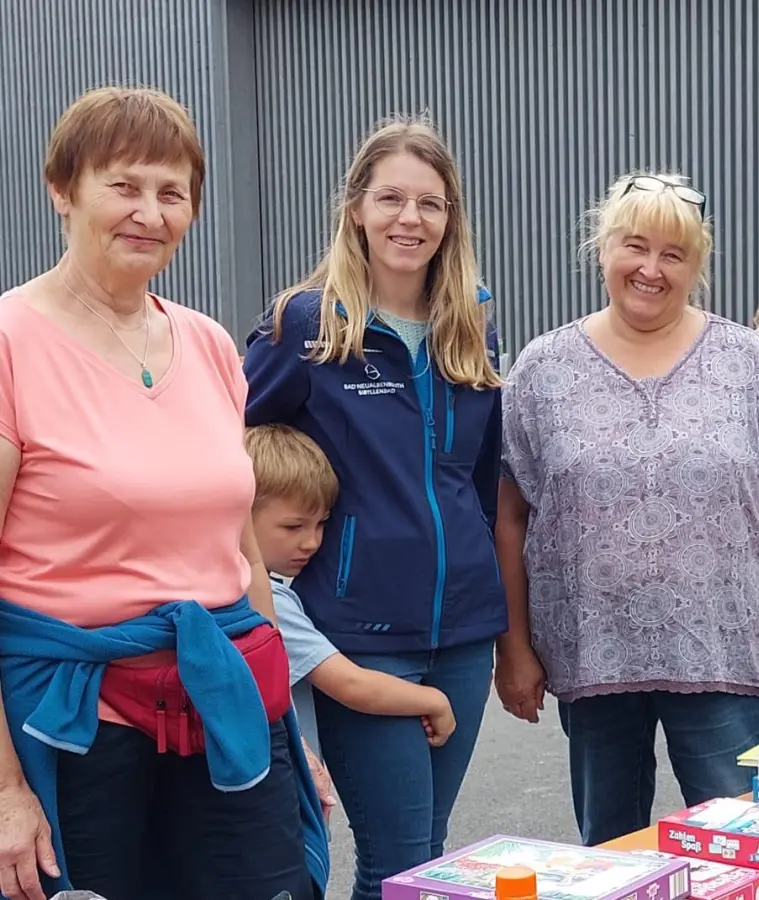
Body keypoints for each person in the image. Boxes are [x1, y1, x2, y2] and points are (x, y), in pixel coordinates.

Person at [0, 86, 325, 900]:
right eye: (125, 184)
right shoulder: (11, 341)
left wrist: (278, 718)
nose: (150, 211)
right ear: (62, 188)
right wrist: (4, 791)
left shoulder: (211, 343)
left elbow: (238, 545)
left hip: (222, 698)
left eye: (172, 192)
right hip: (76, 721)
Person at [494, 170, 759, 847]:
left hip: (724, 656)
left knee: (745, 848)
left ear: (696, 265)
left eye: (673, 254)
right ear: (602, 250)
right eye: (635, 246)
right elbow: (509, 519)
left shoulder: (743, 360)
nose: (651, 269)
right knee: (611, 853)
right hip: (592, 659)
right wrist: (515, 649)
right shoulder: (543, 370)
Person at [242, 116, 505, 900]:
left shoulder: (469, 330)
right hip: (358, 635)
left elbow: (482, 489)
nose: (409, 219)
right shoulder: (307, 327)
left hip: (462, 636)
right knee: (397, 863)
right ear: (356, 207)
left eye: (430, 203)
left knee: (431, 857)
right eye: (391, 198)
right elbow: (225, 455)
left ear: (451, 217)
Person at [245, 424, 458, 760]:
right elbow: (351, 685)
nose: (312, 541)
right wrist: (435, 701)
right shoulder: (265, 600)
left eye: (321, 524)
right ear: (241, 515)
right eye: (293, 526)